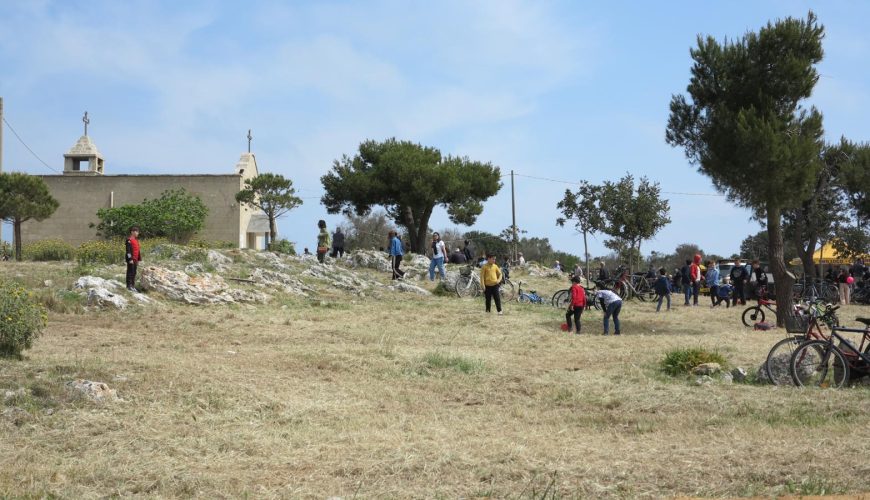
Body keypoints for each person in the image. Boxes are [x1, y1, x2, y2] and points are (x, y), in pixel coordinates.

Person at [125, 225, 142, 292]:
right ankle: (129, 286)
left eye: (138, 232)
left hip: (135, 259)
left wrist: (138, 259)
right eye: (136, 232)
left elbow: (137, 250)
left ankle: (133, 285)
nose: (138, 233)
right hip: (131, 260)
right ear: (132, 232)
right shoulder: (129, 240)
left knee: (134, 272)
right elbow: (128, 251)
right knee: (130, 272)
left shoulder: (136, 240)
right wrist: (130, 259)